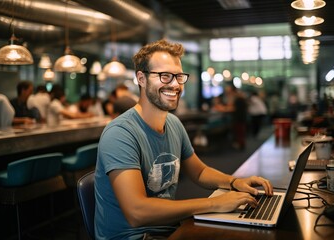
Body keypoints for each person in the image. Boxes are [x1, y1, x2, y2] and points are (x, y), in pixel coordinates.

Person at [95, 39, 273, 240]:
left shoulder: (173, 123)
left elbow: (200, 172)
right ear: (141, 79)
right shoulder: (120, 133)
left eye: (179, 77)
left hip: (168, 228)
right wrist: (216, 203)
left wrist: (234, 182)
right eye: (164, 76)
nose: (175, 84)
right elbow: (137, 212)